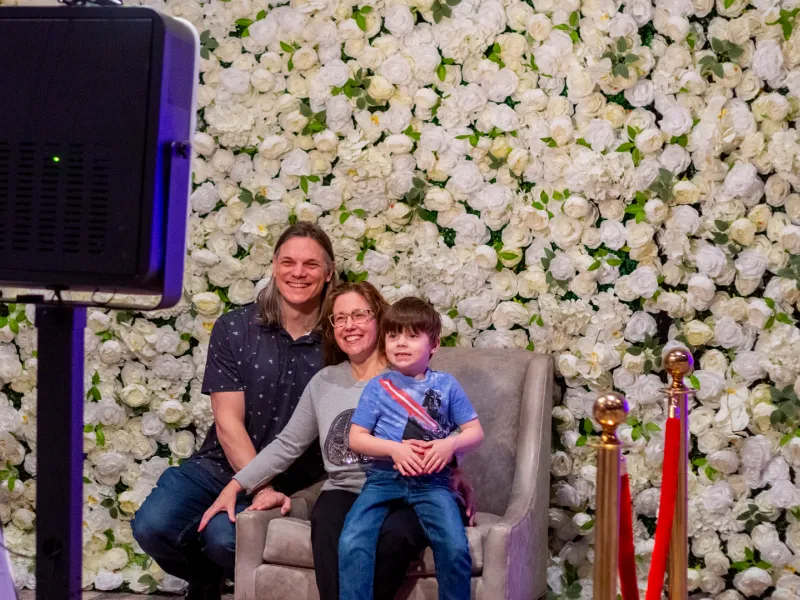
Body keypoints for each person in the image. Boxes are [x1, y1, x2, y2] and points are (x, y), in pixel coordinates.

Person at [199, 282, 476, 600]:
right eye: (339, 318)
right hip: (344, 490)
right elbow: (288, 443)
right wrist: (236, 485)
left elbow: (449, 430)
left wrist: (455, 469)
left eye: (359, 314)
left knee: (394, 536)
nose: (349, 325)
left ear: (380, 319)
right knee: (329, 522)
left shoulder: (406, 374)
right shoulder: (324, 382)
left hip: (404, 488)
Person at [132, 223, 337, 600]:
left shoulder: (342, 336)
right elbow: (227, 424)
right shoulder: (236, 327)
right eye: (288, 262)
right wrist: (261, 485)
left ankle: (222, 572)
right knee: (153, 526)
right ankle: (205, 578)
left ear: (328, 273)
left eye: (311, 264)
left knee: (225, 540)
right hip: (221, 464)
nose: (298, 272)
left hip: (298, 479)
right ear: (274, 266)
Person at [340, 297, 484, 600]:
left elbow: (475, 432)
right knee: (352, 540)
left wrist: (450, 444)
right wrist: (394, 449)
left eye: (412, 335)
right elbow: (356, 438)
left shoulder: (446, 385)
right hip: (382, 480)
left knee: (455, 548)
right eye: (393, 336)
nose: (400, 343)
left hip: (433, 483)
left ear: (433, 344)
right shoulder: (377, 387)